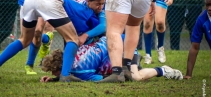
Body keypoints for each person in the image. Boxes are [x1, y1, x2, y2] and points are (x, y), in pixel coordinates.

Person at [0, 0, 107, 82]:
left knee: (24, 39)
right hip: (50, 0)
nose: (100, 7)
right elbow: (96, 27)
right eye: (98, 4)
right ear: (89, 0)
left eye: (102, 4)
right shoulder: (87, 12)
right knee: (73, 39)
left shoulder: (80, 3)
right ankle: (65, 76)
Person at [40, 36, 183, 82]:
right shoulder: (70, 55)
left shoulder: (80, 69)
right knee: (126, 73)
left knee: (135, 76)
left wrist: (71, 79)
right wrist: (54, 80)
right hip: (115, 41)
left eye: (53, 72)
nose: (53, 74)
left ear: (60, 67)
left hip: (122, 48)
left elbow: (99, 80)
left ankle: (163, 70)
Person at [184, 0, 211, 79]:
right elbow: (195, 47)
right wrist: (188, 74)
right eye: (207, 5)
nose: (209, 8)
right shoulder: (201, 20)